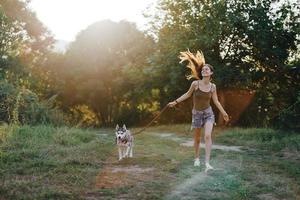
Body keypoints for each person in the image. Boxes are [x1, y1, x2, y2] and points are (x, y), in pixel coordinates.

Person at [168, 50, 229, 172]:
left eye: (207, 69)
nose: (204, 70)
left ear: (211, 73)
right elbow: (187, 95)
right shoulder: (195, 84)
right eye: (203, 69)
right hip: (196, 114)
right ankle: (196, 158)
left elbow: (216, 101)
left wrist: (224, 113)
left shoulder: (213, 87)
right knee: (196, 139)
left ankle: (207, 163)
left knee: (207, 136)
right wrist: (175, 102)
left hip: (208, 113)